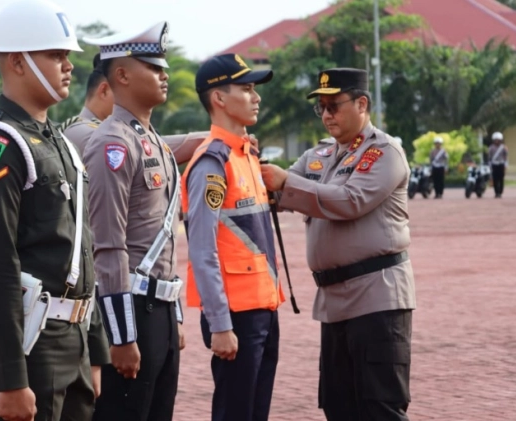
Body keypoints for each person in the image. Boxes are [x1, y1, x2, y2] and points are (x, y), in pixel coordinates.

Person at [0, 1, 108, 420]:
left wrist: (93, 348)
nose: (67, 66)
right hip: (28, 343)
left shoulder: (57, 141)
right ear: (17, 61)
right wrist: (10, 378)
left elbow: (80, 251)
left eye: (67, 56)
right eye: (55, 55)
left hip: (69, 337)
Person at [260, 68, 416, 421]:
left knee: (380, 407)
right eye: (321, 108)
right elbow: (279, 191)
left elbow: (349, 201)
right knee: (339, 405)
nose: (327, 114)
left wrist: (286, 183)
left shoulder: (384, 152)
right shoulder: (321, 155)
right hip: (334, 301)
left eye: (334, 105)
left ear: (362, 103)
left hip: (377, 296)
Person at [81, 21, 185, 421]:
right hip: (129, 309)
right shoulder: (113, 144)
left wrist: (173, 316)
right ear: (122, 75)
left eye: (163, 67)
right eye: (153, 67)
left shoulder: (153, 140)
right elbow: (107, 246)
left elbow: (166, 240)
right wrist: (121, 337)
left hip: (158, 308)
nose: (164, 75)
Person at [181, 53, 284, 421]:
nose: (255, 97)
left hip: (264, 308)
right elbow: (202, 250)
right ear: (218, 99)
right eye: (246, 89)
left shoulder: (245, 157)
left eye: (254, 89)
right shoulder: (213, 162)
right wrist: (220, 323)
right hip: (236, 315)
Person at [62, 53, 209, 161]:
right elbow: (149, 151)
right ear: (104, 90)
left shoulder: (123, 131)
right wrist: (217, 139)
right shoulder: (82, 132)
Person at [489, 132, 508, 198]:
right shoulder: (491, 148)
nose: (497, 141)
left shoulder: (503, 147)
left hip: (501, 164)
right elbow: (490, 157)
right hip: (494, 165)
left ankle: (500, 191)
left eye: (498, 140)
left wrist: (506, 165)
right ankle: (496, 193)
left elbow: (506, 156)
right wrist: (490, 165)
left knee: (501, 179)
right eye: (495, 140)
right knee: (495, 179)